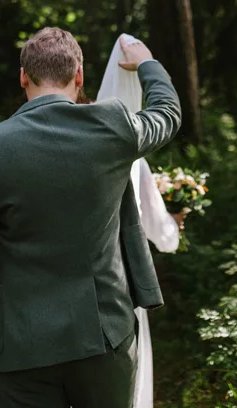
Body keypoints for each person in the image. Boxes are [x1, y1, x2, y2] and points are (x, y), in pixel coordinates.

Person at [0, 28, 182, 408]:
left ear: (22, 77)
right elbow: (167, 113)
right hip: (106, 338)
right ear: (79, 75)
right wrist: (147, 63)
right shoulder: (113, 126)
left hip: (25, 348)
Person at [95, 34, 184, 408]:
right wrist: (175, 226)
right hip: (122, 284)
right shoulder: (136, 160)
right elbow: (162, 236)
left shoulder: (81, 144)